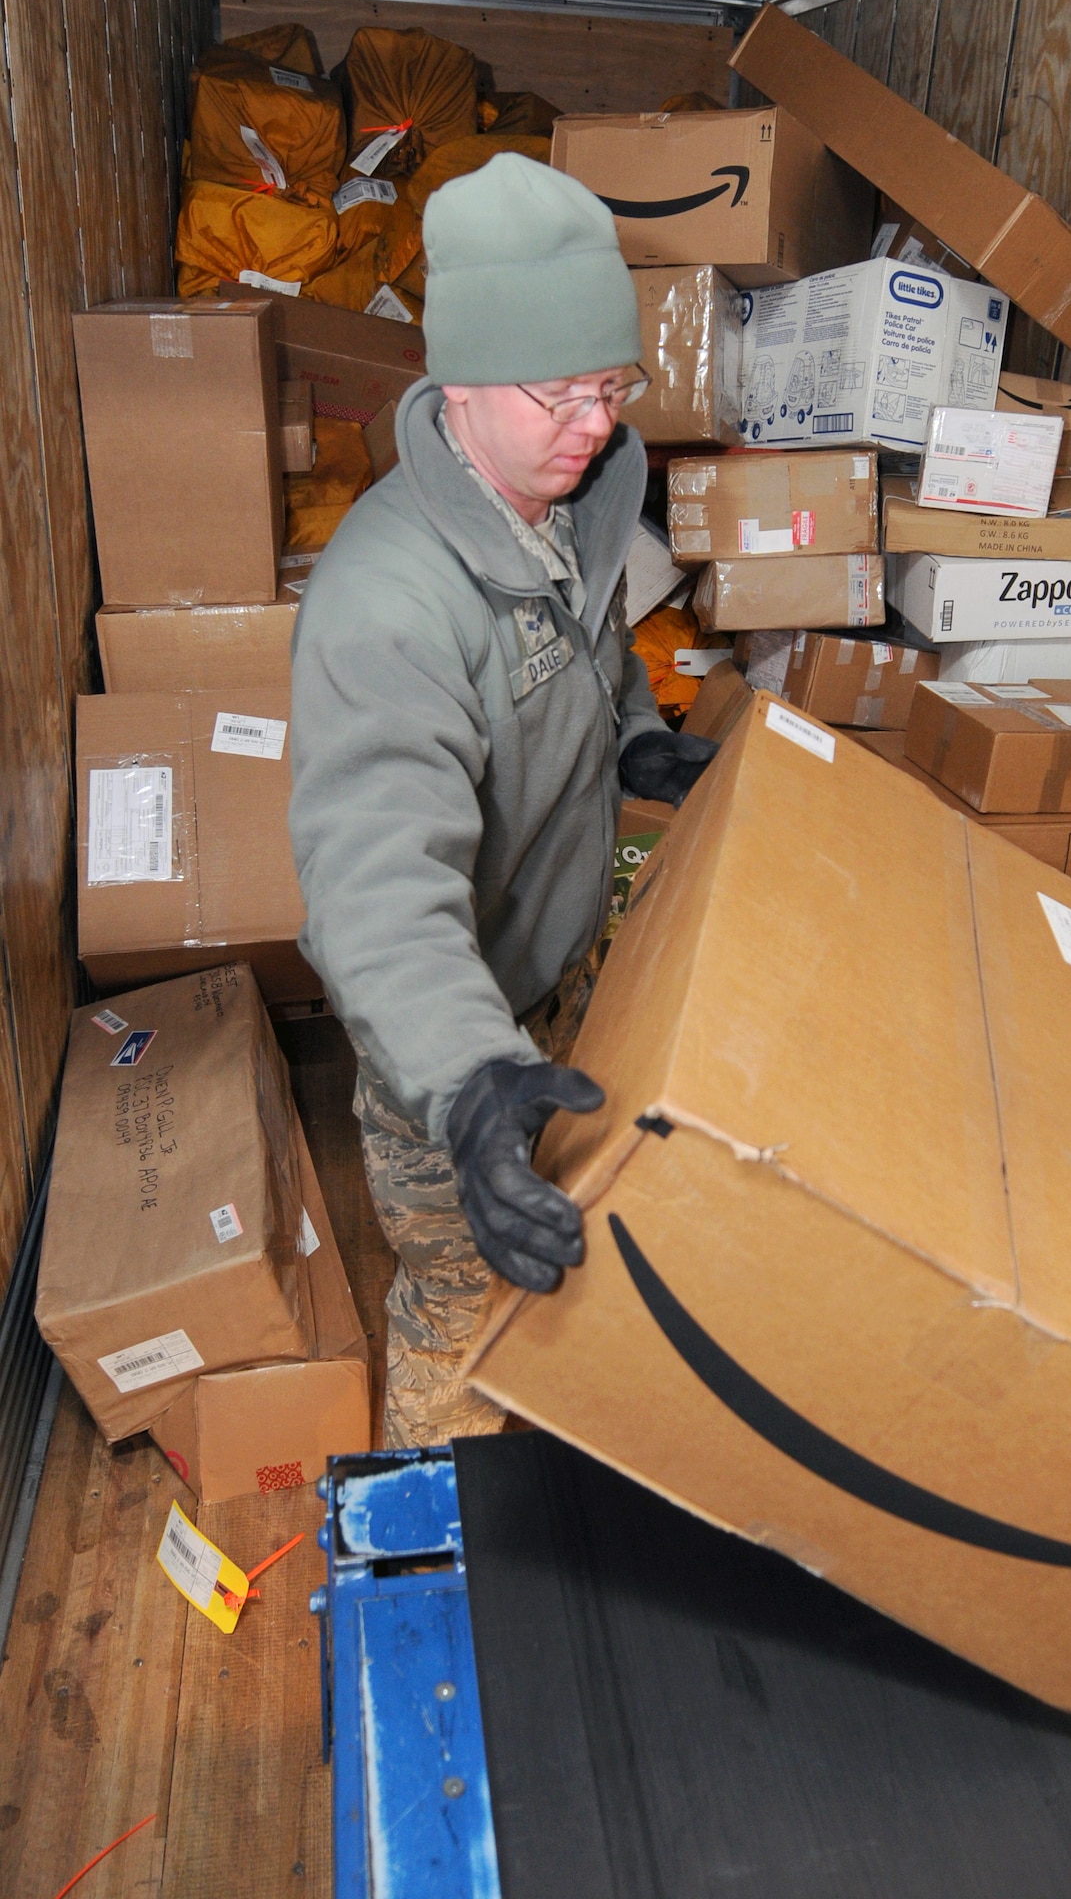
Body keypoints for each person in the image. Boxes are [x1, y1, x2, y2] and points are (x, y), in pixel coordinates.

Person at [289, 155, 716, 1447]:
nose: (593, 425)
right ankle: (435, 1548)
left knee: (584, 1268)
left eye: (613, 388)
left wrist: (635, 741)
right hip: (446, 1042)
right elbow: (376, 884)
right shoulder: (387, 602)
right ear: (460, 381)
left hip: (558, 963)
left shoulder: (561, 502)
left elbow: (579, 656)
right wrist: (473, 1087)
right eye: (560, 394)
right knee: (466, 1304)